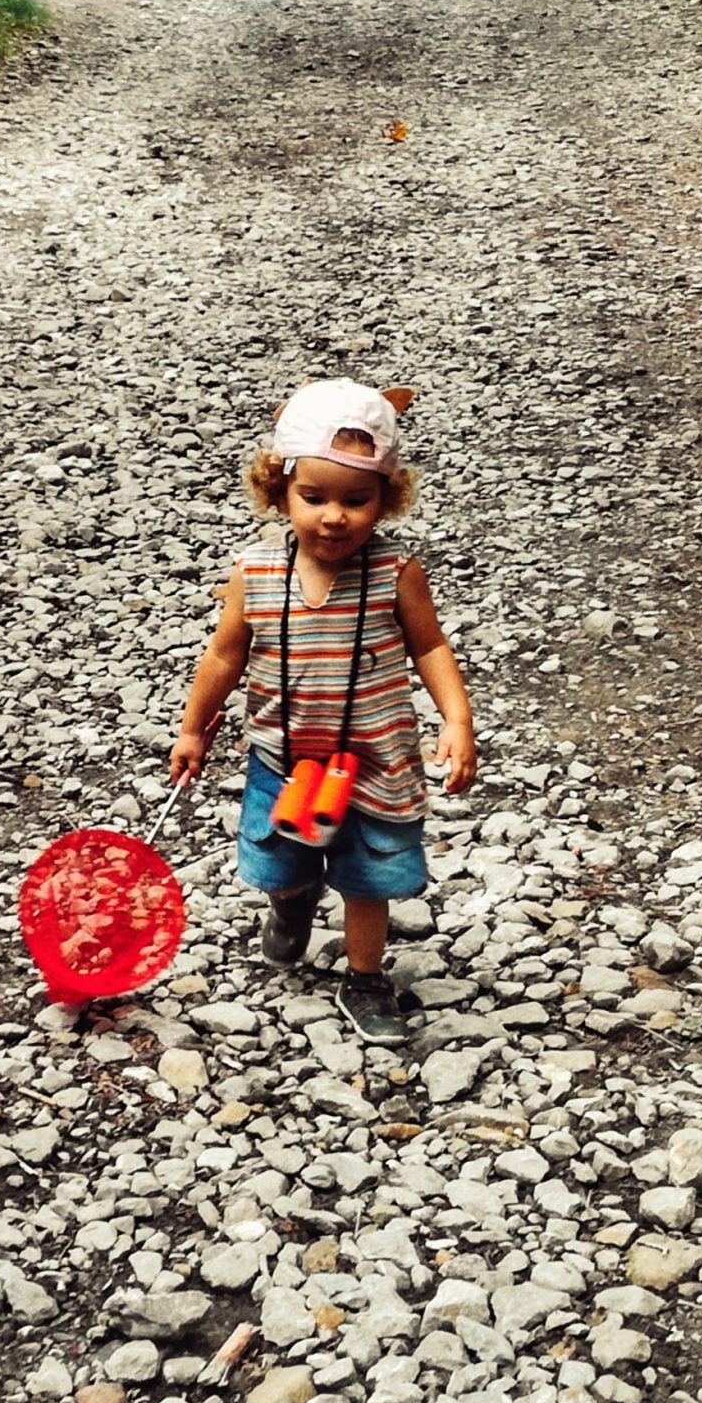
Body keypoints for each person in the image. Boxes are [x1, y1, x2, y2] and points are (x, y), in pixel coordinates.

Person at [170, 380, 477, 1044]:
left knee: (368, 877)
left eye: (356, 500)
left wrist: (456, 719)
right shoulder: (254, 573)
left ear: (384, 500)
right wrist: (194, 728)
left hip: (374, 762)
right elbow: (224, 657)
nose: (334, 516)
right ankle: (292, 902)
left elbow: (430, 646)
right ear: (279, 491)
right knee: (277, 862)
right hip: (282, 761)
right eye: (313, 498)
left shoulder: (396, 573)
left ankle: (365, 978)